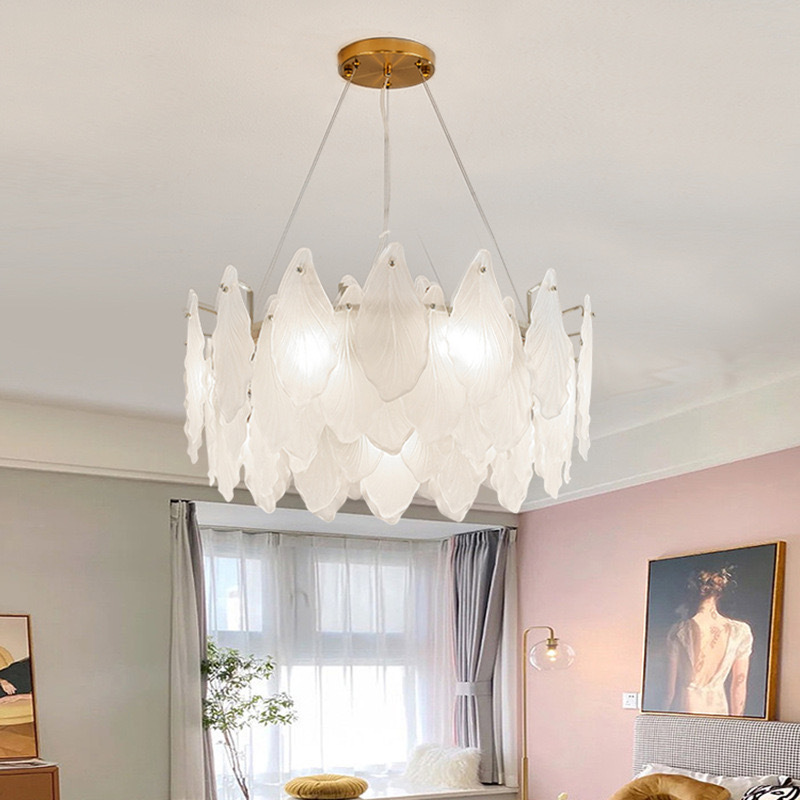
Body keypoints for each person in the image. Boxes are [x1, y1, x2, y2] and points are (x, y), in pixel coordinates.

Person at [663, 567, 752, 715]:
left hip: (686, 709)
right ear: (719, 594)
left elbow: (668, 691)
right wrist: (737, 721)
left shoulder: (678, 631)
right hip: (718, 710)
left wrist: (660, 716)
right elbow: (739, 683)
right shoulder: (741, 631)